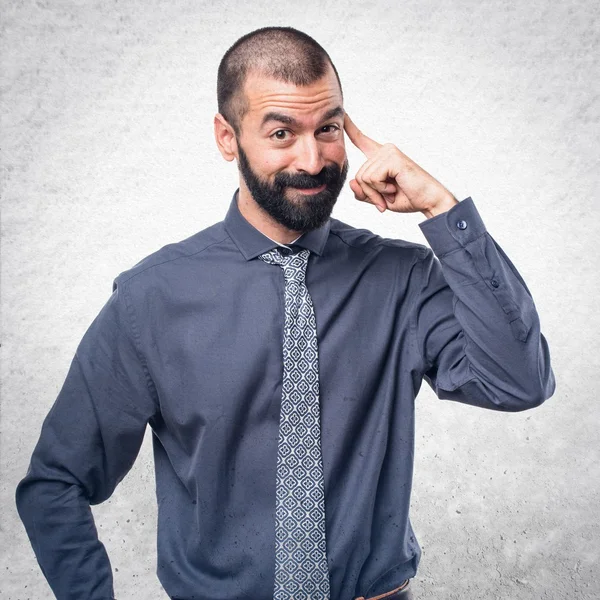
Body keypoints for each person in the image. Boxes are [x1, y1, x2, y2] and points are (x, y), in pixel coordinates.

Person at [16, 26, 555, 600]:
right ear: (228, 137)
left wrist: (443, 212)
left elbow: (519, 383)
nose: (312, 158)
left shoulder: (404, 278)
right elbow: (57, 482)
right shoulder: (152, 299)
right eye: (281, 132)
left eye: (327, 129)